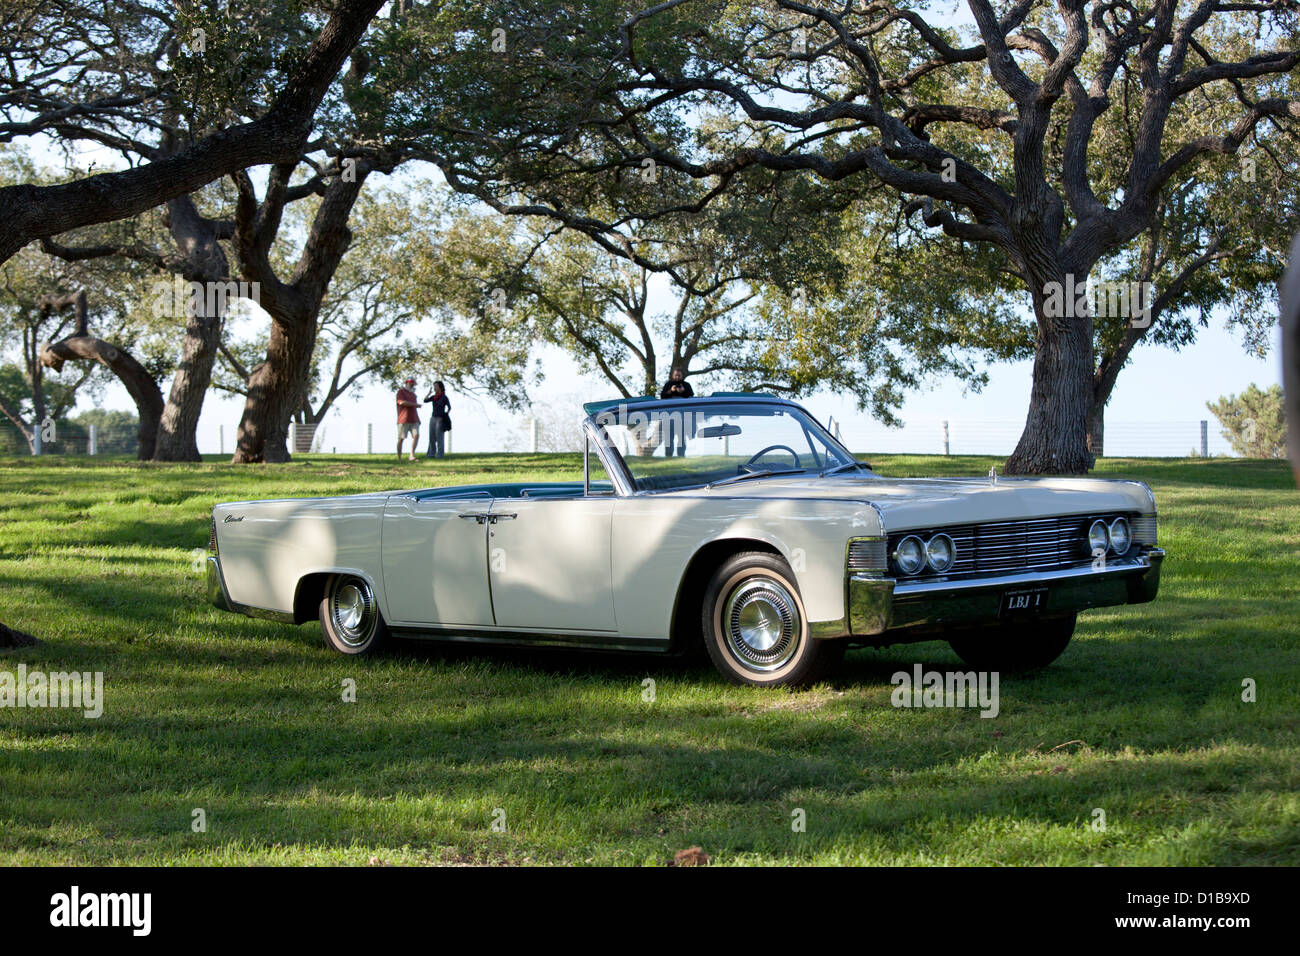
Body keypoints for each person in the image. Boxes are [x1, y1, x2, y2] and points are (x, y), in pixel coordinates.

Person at [659, 366, 694, 457]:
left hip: (682, 417)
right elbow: (662, 396)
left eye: (679, 375)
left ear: (682, 376)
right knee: (669, 438)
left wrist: (683, 391)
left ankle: (681, 455)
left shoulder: (686, 385)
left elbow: (691, 397)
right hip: (669, 416)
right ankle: (668, 456)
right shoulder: (668, 385)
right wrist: (671, 391)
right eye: (676, 375)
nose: (677, 377)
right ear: (672, 375)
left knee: (682, 438)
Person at [423, 381, 451, 459]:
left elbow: (449, 407)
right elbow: (425, 401)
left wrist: (445, 416)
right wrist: (429, 393)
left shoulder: (444, 397)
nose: (435, 388)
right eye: (434, 386)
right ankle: (431, 454)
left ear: (440, 387)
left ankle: (440, 455)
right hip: (433, 418)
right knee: (432, 437)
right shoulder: (434, 397)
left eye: (436, 386)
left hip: (440, 419)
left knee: (439, 437)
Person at [395, 378, 420, 461]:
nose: (412, 384)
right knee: (401, 439)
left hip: (414, 418)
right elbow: (402, 402)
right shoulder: (401, 392)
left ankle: (411, 455)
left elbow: (414, 407)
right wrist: (415, 404)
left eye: (413, 383)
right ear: (406, 383)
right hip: (403, 419)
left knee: (416, 435)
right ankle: (399, 458)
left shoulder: (413, 394)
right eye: (410, 383)